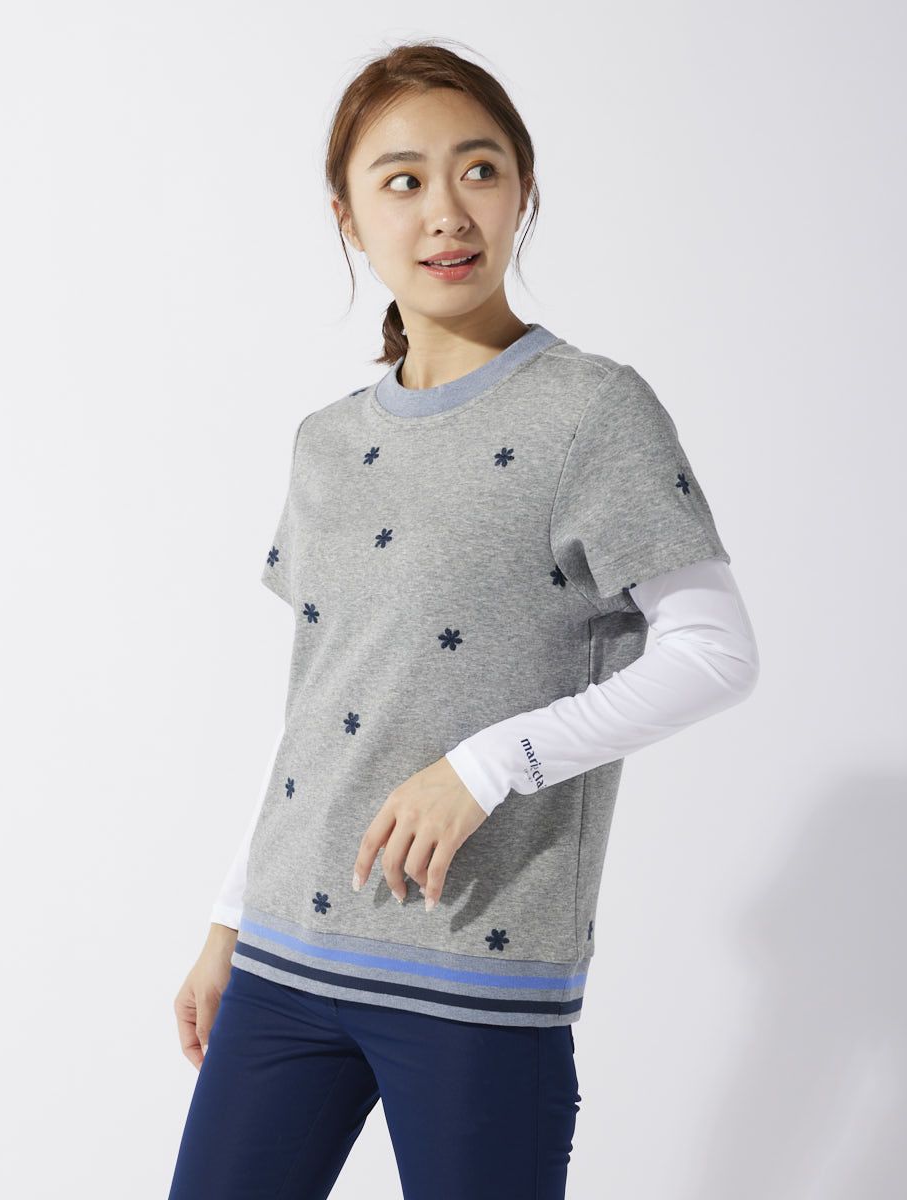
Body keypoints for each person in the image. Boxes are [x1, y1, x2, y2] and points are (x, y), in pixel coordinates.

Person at [167, 39, 760, 1200]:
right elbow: (320, 711)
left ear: (522, 189)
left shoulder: (592, 411)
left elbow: (716, 653)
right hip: (285, 957)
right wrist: (229, 920)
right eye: (403, 181)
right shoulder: (324, 443)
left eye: (478, 169)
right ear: (347, 217)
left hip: (476, 978)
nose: (446, 210)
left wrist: (487, 765)